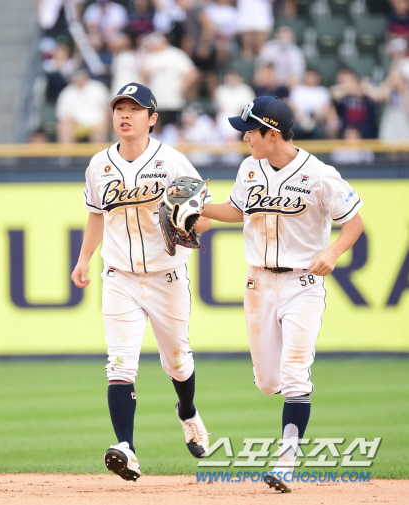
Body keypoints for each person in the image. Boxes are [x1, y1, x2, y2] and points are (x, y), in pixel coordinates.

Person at [201, 96, 364, 493]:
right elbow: (238, 210)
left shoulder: (320, 175)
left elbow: (354, 223)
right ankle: (285, 437)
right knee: (267, 381)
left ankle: (286, 461)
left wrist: (332, 252)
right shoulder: (250, 168)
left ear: (272, 133)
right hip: (258, 283)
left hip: (302, 284)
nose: (245, 140)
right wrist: (198, 214)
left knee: (294, 372)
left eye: (250, 132)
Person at [71, 82, 212, 482]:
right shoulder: (99, 164)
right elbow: (97, 214)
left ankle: (187, 412)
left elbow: (203, 209)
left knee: (177, 360)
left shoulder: (173, 161)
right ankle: (126, 448)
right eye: (119, 108)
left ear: (152, 118)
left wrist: (189, 222)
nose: (125, 115)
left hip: (166, 276)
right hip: (119, 276)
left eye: (135, 109)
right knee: (119, 362)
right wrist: (84, 259)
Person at [55, 69, 110, 143]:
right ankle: (67, 154)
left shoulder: (98, 88)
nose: (80, 80)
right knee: (64, 127)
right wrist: (71, 121)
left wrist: (106, 120)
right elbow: (62, 115)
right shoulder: (67, 92)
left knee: (101, 127)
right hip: (75, 123)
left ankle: (99, 154)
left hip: (97, 122)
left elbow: (107, 108)